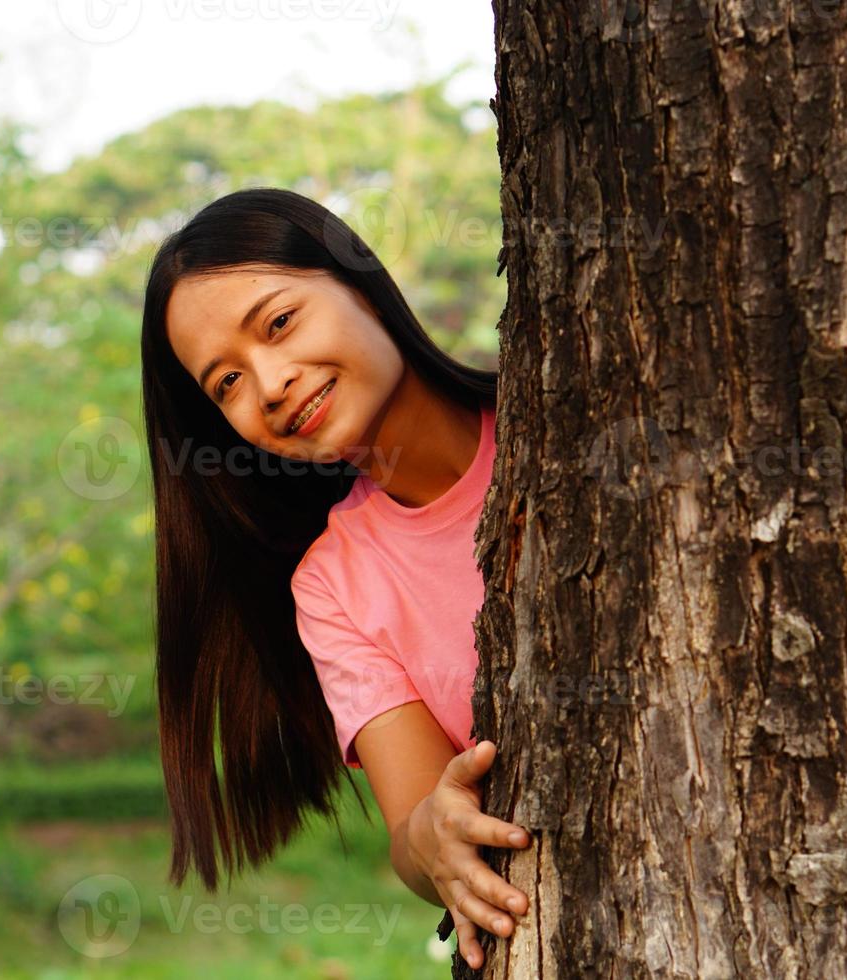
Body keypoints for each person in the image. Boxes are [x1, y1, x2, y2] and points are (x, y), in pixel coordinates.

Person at [140, 187, 528, 970]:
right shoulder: (335, 585)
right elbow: (415, 827)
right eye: (227, 383)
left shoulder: (563, 410)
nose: (272, 384)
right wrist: (437, 836)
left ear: (359, 281)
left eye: (279, 323)